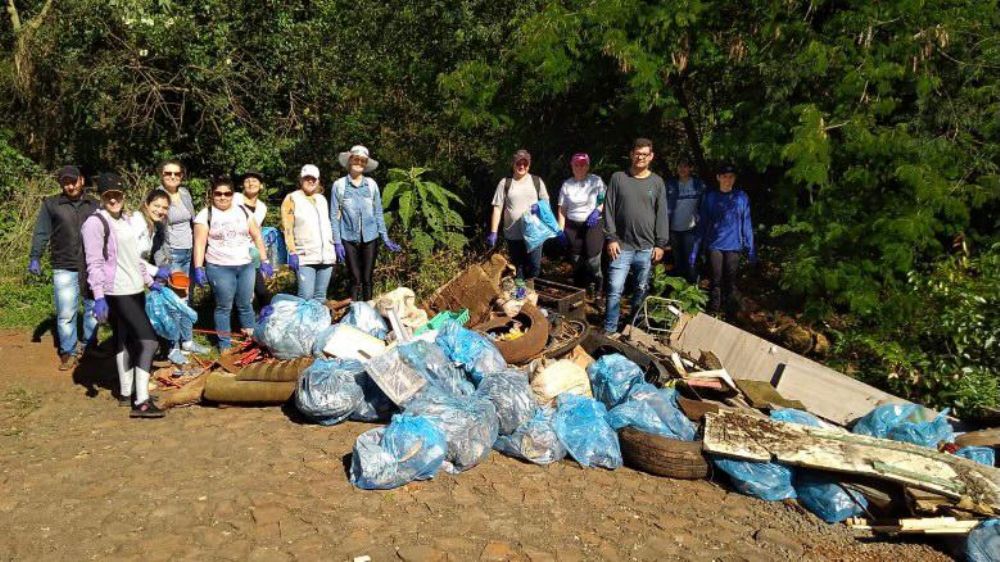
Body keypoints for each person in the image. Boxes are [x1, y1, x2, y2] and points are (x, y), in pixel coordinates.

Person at [81, 173, 165, 418]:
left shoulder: (127, 220)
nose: (114, 200)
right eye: (108, 196)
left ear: (124, 196)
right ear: (101, 197)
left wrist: (150, 281)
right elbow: (94, 263)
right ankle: (142, 401)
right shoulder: (96, 223)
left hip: (136, 288)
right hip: (117, 291)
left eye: (117, 195)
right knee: (148, 341)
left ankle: (127, 392)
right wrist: (98, 297)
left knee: (124, 339)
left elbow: (133, 258)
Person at [28, 165, 100, 370]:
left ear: (81, 180)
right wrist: (35, 257)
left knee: (92, 309)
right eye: (65, 182)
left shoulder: (94, 205)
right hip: (64, 265)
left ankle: (88, 346)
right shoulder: (51, 205)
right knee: (66, 312)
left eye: (73, 181)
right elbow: (41, 232)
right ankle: (68, 350)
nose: (70, 186)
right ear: (61, 184)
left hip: (90, 266)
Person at [192, 177, 273, 349]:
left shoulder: (243, 211)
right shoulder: (205, 214)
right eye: (218, 194)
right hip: (219, 267)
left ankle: (251, 342)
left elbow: (257, 235)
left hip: (245, 265)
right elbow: (199, 243)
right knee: (224, 306)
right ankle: (225, 345)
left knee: (245, 304)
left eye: (227, 193)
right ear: (212, 195)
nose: (223, 197)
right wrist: (198, 267)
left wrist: (264, 259)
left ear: (232, 194)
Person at [603, 138, 669, 334]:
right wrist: (611, 237)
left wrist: (660, 244)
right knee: (614, 289)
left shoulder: (657, 182)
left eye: (645, 154)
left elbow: (662, 213)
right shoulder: (618, 178)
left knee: (641, 290)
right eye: (637, 154)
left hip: (647, 247)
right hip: (621, 246)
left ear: (651, 157)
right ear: (631, 154)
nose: (640, 157)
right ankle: (610, 330)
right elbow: (608, 209)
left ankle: (632, 329)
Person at [330, 146, 401, 302]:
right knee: (355, 278)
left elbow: (378, 212)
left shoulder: (371, 185)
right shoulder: (339, 186)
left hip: (370, 237)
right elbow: (334, 216)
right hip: (348, 238)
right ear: (350, 161)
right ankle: (355, 310)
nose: (359, 163)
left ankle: (369, 309)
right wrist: (337, 242)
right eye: (356, 159)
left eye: (363, 161)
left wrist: (385, 237)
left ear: (365, 164)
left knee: (367, 278)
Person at [154, 159, 209, 355]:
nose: (172, 177)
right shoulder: (158, 197)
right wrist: (162, 262)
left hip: (189, 253)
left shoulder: (184, 194)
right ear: (161, 174)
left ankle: (187, 341)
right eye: (168, 173)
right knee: (175, 302)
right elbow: (156, 231)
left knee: (187, 299)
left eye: (177, 174)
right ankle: (172, 346)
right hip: (173, 255)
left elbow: (193, 222)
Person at [690, 163, 756, 316]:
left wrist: (751, 246)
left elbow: (746, 222)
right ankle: (714, 310)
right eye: (725, 177)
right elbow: (703, 224)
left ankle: (731, 310)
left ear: (734, 179)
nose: (728, 180)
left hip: (734, 245)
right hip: (714, 245)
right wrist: (695, 249)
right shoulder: (710, 197)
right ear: (718, 178)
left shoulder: (741, 197)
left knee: (731, 280)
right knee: (716, 279)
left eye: (731, 177)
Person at [488, 149, 550, 280]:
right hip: (513, 233)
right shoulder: (505, 183)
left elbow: (546, 204)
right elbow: (497, 208)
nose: (522, 166)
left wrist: (538, 208)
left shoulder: (537, 181)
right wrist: (493, 232)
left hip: (534, 232)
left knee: (534, 265)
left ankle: (530, 287)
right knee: (518, 266)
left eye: (525, 164)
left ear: (529, 165)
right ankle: (522, 294)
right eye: (518, 163)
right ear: (513, 164)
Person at [282, 165, 337, 302]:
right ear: (301, 180)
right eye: (307, 178)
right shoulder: (292, 198)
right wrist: (292, 251)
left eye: (314, 179)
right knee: (305, 296)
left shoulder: (322, 200)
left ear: (318, 181)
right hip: (304, 256)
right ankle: (302, 323)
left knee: (320, 297)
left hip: (326, 256)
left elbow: (327, 225)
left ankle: (317, 323)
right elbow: (287, 227)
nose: (310, 181)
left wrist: (336, 245)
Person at [556, 152, 606, 296]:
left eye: (583, 164)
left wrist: (597, 211)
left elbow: (602, 199)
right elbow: (562, 208)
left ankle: (598, 286)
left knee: (593, 260)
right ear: (572, 166)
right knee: (576, 259)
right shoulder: (567, 184)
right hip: (573, 225)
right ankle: (580, 290)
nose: (580, 167)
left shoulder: (596, 181)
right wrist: (560, 229)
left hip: (593, 223)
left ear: (588, 166)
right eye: (577, 164)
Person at [234, 170, 271, 306]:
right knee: (238, 292)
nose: (251, 183)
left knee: (261, 291)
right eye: (247, 181)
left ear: (261, 186)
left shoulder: (262, 207)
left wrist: (264, 258)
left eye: (254, 181)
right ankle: (235, 325)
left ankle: (261, 321)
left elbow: (258, 232)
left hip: (252, 253)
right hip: (233, 251)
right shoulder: (235, 198)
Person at [666, 158, 707, 284]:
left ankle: (693, 288)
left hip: (691, 230)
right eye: (680, 166)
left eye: (685, 166)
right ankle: (680, 292)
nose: (682, 169)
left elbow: (704, 207)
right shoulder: (670, 184)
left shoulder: (699, 184)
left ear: (691, 168)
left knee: (691, 261)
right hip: (674, 229)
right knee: (678, 261)